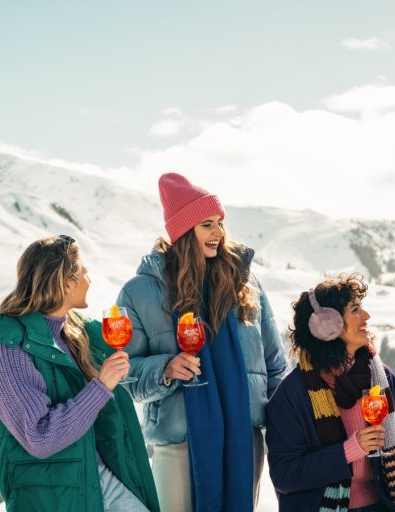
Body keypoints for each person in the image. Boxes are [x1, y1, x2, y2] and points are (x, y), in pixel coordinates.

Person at [117, 172, 287, 512]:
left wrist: (283, 429)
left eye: (220, 223)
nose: (218, 233)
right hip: (179, 444)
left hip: (243, 440)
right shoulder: (141, 292)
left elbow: (274, 365)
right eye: (207, 225)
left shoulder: (245, 285)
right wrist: (165, 369)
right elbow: (123, 375)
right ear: (183, 231)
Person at [0, 235, 160, 512]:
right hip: (54, 497)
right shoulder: (10, 351)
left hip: (97, 478)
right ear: (67, 283)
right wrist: (101, 387)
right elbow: (40, 438)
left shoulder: (74, 332)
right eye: (85, 272)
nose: (89, 279)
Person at [265, 274, 395, 512]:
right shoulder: (292, 394)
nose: (366, 316)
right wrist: (349, 450)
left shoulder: (381, 378)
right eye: (355, 310)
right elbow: (285, 474)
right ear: (327, 325)